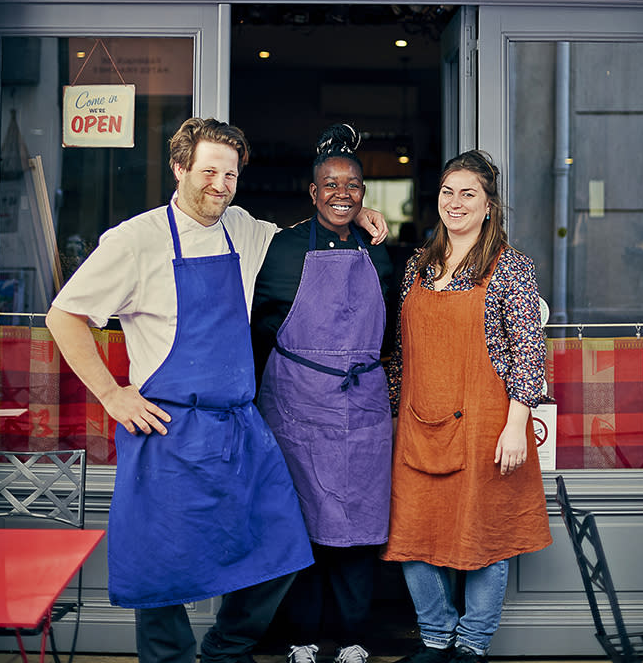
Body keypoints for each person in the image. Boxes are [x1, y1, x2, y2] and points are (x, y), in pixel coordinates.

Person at [45, 118, 387, 663]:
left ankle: (226, 650)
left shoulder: (245, 230)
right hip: (168, 428)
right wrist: (112, 395)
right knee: (160, 572)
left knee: (284, 546)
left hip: (239, 427)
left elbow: (307, 237)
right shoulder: (135, 240)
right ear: (179, 168)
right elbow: (64, 315)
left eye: (230, 174)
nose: (220, 184)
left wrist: (351, 214)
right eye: (208, 170)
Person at [382, 150, 552, 663]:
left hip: (485, 423)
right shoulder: (418, 263)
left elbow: (528, 352)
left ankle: (472, 643)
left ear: (488, 206)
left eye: (468, 193)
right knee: (409, 534)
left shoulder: (510, 266)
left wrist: (517, 426)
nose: (454, 203)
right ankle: (436, 636)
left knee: (484, 538)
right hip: (416, 422)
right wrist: (390, 414)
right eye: (447, 192)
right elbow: (400, 353)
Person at [252, 123, 394, 663]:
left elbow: (391, 324)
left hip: (360, 405)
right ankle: (302, 638)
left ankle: (355, 637)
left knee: (358, 526)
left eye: (353, 186)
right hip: (298, 406)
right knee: (303, 523)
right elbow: (263, 321)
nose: (341, 193)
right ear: (313, 193)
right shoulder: (284, 246)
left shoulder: (378, 249)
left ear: (364, 195)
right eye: (330, 184)